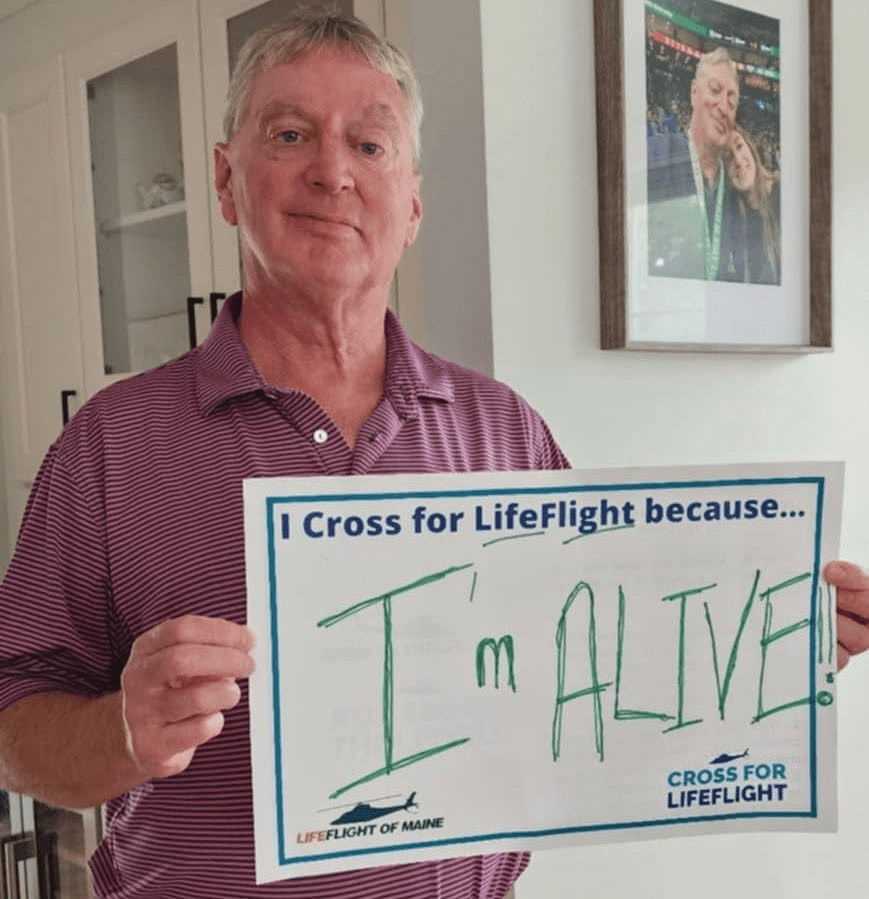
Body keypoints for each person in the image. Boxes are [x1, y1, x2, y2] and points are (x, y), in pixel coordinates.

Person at [0, 12, 866, 899]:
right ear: (226, 180)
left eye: (369, 144)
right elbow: (12, 722)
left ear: (411, 203)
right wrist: (123, 733)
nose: (332, 171)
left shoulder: (504, 431)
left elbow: (606, 666)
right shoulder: (111, 444)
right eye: (289, 134)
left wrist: (771, 645)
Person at [647, 46, 745, 281]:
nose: (723, 107)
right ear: (694, 93)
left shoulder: (735, 189)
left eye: (732, 103)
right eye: (715, 90)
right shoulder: (656, 155)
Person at [728, 123, 781, 285]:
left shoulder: (783, 193)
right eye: (727, 157)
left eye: (739, 146)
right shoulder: (732, 216)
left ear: (750, 148)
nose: (738, 160)